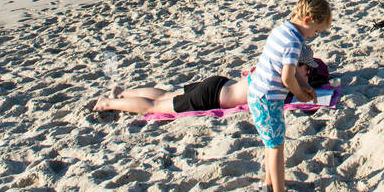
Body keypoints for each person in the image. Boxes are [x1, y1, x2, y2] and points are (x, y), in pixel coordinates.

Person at [248, 0, 333, 192]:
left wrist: (304, 86)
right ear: (308, 20)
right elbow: (287, 78)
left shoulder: (282, 30)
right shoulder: (294, 42)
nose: (314, 35)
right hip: (268, 99)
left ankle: (269, 184)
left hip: (257, 94)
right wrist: (299, 93)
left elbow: (292, 70)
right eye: (316, 30)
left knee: (271, 143)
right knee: (276, 146)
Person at [93, 46, 326, 116]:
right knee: (155, 106)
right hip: (211, 96)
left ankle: (124, 93)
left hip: (219, 84)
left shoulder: (269, 67)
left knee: (167, 94)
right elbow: (304, 96)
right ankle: (108, 103)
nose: (308, 74)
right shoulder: (284, 79)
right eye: (306, 69)